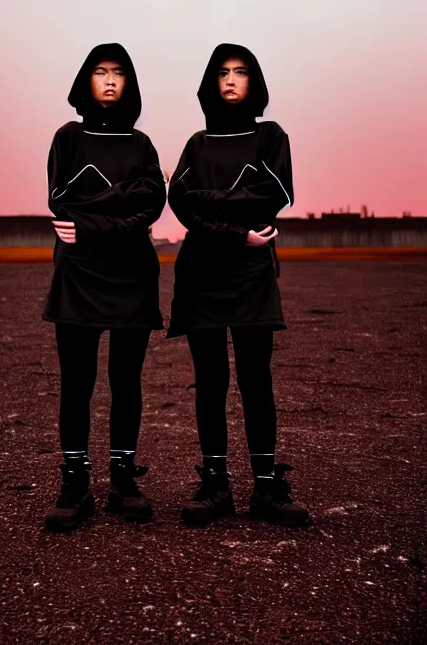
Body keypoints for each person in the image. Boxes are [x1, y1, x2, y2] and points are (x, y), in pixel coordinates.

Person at [167, 43, 309, 527]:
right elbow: (180, 203)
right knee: (210, 382)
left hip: (251, 275)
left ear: (255, 82)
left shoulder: (270, 137)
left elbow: (276, 192)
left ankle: (266, 490)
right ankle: (215, 486)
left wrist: (213, 206)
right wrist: (237, 228)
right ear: (211, 82)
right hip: (203, 273)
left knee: (255, 379)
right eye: (222, 72)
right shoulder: (197, 144)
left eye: (240, 72)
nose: (230, 79)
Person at [42, 43, 166, 530]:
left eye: (119, 73)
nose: (110, 80)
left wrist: (100, 220)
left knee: (125, 381)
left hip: (133, 276)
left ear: (130, 83)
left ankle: (122, 478)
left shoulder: (142, 144)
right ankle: (75, 483)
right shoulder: (68, 137)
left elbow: (153, 201)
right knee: (76, 383)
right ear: (86, 80)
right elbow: (62, 198)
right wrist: (124, 202)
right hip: (78, 276)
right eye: (101, 72)